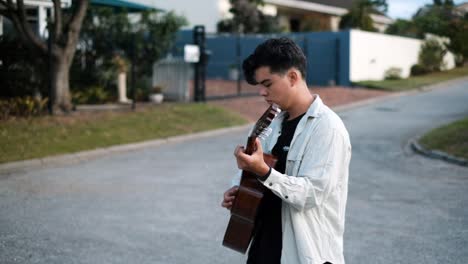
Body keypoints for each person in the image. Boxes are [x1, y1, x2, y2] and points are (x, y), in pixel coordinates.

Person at [221, 37, 352, 264]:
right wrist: (239, 190)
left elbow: (311, 194)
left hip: (305, 253)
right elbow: (261, 170)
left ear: (293, 77)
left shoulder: (328, 128)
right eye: (259, 85)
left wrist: (263, 171)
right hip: (264, 247)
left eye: (267, 83)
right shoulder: (272, 123)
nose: (262, 92)